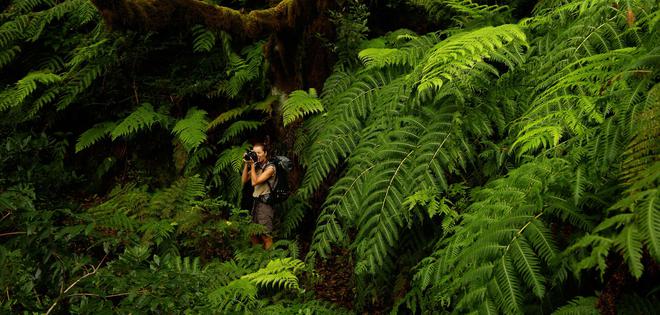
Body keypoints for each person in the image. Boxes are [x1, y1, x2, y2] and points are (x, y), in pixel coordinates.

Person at [241, 143, 276, 250]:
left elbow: (254, 182)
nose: (257, 155)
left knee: (265, 235)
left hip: (265, 204)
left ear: (265, 153)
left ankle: (270, 261)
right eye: (254, 153)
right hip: (256, 203)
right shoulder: (257, 166)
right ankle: (258, 258)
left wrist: (252, 165)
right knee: (253, 233)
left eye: (259, 152)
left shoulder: (270, 168)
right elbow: (243, 180)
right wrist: (247, 164)